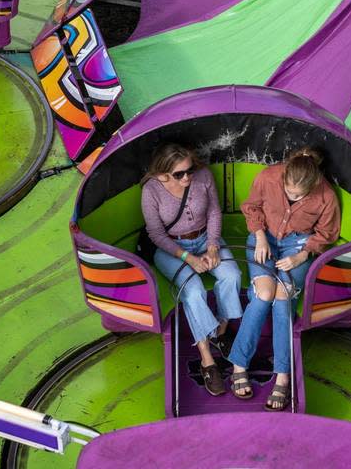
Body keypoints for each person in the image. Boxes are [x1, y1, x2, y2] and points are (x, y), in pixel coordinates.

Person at [229, 147, 340, 411]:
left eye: (299, 195)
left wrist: (302, 256)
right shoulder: (268, 177)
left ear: (314, 183)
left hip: (298, 245)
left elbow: (326, 234)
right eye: (289, 191)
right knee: (263, 295)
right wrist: (259, 237)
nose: (293, 196)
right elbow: (251, 206)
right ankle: (239, 364)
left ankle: (283, 375)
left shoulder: (326, 195)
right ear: (285, 176)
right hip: (263, 237)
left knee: (282, 299)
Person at [141, 143, 241, 397]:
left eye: (189, 170)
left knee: (232, 275)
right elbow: (155, 234)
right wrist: (188, 258)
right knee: (193, 291)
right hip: (172, 248)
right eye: (179, 174)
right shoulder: (151, 190)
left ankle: (220, 330)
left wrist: (212, 247)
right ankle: (207, 358)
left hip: (206, 239)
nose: (187, 177)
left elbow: (214, 212)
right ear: (163, 173)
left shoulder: (203, 176)